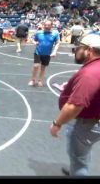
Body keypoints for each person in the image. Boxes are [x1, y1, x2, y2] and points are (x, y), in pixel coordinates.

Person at [50, 34, 100, 176]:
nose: (75, 51)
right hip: (94, 120)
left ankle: (77, 170)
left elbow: (74, 105)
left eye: (78, 48)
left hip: (87, 124)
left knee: (78, 159)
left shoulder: (90, 73)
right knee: (83, 152)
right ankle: (77, 167)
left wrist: (57, 123)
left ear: (88, 50)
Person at [29, 20, 60, 87]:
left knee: (43, 68)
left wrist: (54, 51)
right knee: (36, 66)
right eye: (45, 25)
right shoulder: (39, 33)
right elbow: (33, 39)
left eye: (48, 25)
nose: (46, 26)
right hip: (38, 52)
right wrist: (34, 42)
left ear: (51, 26)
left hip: (47, 54)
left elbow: (57, 43)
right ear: (43, 25)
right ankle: (33, 80)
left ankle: (40, 80)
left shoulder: (55, 33)